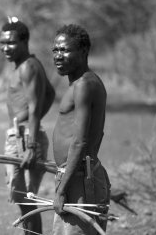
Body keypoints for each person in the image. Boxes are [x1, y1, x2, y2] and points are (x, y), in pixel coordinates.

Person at [51, 24, 111, 235]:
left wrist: (62, 190)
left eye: (65, 50)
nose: (58, 55)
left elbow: (80, 141)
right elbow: (95, 137)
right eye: (55, 50)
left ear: (84, 51)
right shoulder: (78, 84)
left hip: (79, 180)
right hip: (76, 175)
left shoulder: (85, 84)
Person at [0, 17, 55, 235]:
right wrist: (29, 118)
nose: (5, 48)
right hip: (23, 134)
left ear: (24, 41)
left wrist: (31, 145)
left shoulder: (27, 67)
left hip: (25, 139)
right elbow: (49, 94)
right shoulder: (27, 65)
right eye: (2, 43)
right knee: (25, 202)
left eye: (11, 43)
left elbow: (34, 107)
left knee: (27, 203)